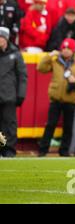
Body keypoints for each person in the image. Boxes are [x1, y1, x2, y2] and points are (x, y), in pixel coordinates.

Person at [37, 38, 75, 157]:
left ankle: (64, 151)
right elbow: (40, 68)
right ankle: (43, 150)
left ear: (73, 50)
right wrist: (49, 55)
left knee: (68, 127)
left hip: (70, 99)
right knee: (50, 125)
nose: (65, 51)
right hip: (56, 98)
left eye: (68, 48)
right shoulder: (55, 60)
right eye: (64, 48)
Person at [0, 27, 27, 157]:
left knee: (9, 124)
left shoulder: (15, 54)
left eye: (1, 37)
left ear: (6, 39)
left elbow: (22, 76)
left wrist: (21, 94)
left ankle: (9, 150)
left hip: (9, 95)